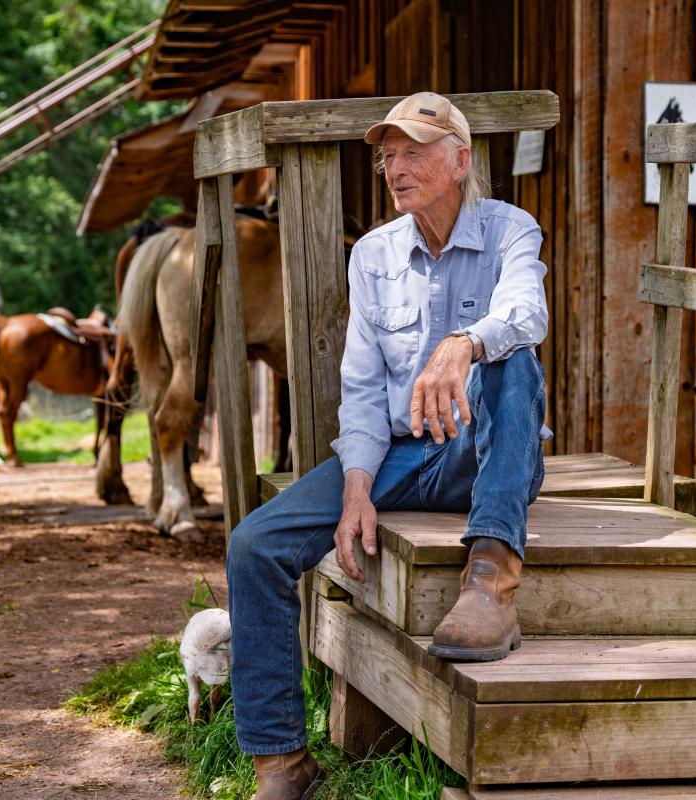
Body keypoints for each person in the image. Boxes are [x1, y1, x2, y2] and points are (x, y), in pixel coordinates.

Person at [226, 91, 549, 800]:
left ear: (459, 161)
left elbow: (528, 311)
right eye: (387, 155)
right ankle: (281, 764)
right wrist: (355, 488)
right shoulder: (373, 254)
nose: (394, 168)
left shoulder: (510, 229)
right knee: (255, 545)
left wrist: (464, 344)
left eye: (413, 152)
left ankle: (491, 583)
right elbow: (363, 386)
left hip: (487, 450)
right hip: (402, 454)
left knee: (515, 358)